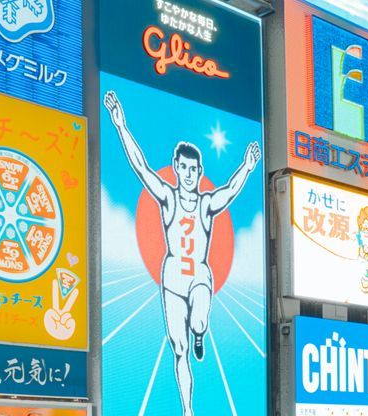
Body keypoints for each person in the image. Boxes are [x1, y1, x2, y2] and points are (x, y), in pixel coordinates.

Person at [103, 90, 260, 416]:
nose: (188, 174)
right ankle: (188, 410)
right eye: (183, 168)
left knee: (199, 322)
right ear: (176, 167)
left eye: (193, 169)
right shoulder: (168, 197)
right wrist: (120, 125)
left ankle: (200, 331)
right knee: (179, 347)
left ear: (200, 172)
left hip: (200, 275)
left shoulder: (205, 203)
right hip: (173, 276)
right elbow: (141, 167)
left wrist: (246, 167)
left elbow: (229, 191)